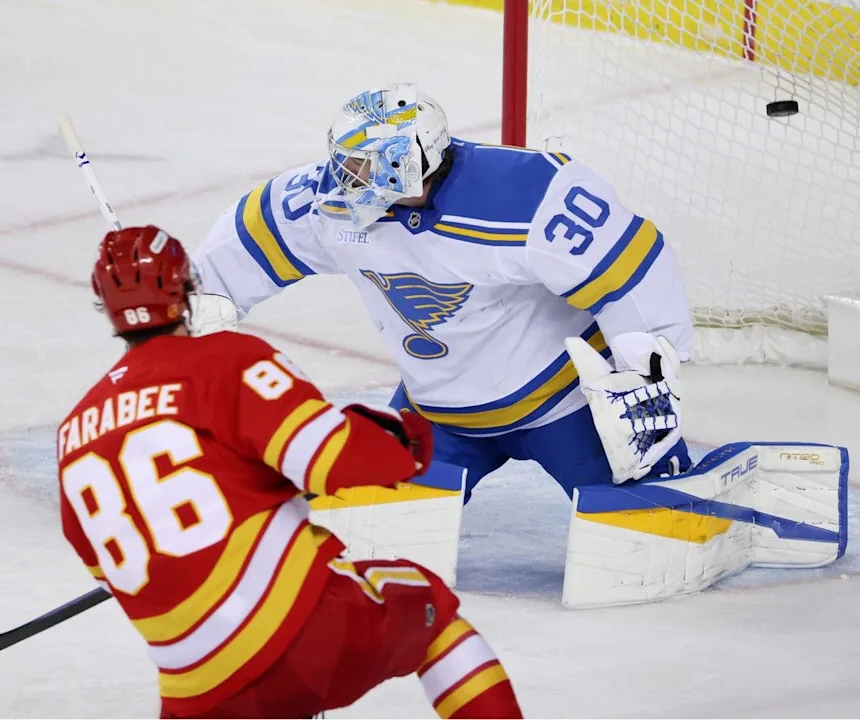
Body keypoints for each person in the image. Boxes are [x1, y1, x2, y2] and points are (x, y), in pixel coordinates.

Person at [57, 225, 523, 719]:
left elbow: (109, 569)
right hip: (307, 636)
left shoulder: (72, 433)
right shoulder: (223, 361)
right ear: (186, 288)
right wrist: (404, 442)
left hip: (193, 694)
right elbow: (333, 457)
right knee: (431, 614)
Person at [192, 83, 695, 502]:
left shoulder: (526, 193)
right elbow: (250, 239)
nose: (344, 179)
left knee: (644, 509)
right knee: (371, 524)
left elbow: (630, 265)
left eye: (362, 166)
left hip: (565, 405)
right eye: (344, 163)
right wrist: (192, 300)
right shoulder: (330, 203)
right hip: (438, 413)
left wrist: (643, 360)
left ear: (407, 161)